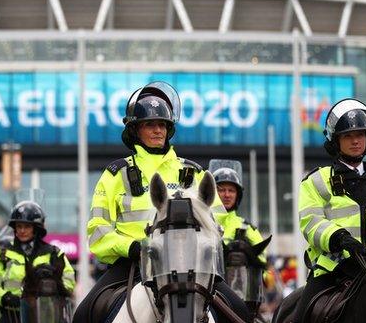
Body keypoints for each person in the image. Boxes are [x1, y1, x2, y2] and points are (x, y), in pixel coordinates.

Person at [73, 81, 252, 323]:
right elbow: (97, 230)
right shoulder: (116, 174)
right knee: (83, 314)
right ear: (136, 130)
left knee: (240, 311)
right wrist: (133, 247)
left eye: (163, 125)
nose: (158, 130)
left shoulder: (193, 172)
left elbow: (219, 221)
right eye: (150, 124)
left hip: (191, 267)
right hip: (131, 265)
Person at [293, 98, 366, 322]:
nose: (355, 141)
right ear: (336, 141)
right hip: (333, 271)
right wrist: (339, 238)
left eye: (360, 135)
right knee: (303, 315)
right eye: (348, 136)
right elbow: (310, 222)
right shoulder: (316, 181)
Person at [0, 201, 75, 323]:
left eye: (27, 226)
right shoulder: (3, 252)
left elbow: (69, 280)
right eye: (19, 226)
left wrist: (53, 294)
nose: (22, 230)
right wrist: (5, 297)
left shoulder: (54, 253)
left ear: (36, 228)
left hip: (46, 314)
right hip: (11, 314)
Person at [211, 160, 268, 263]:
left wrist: (247, 257)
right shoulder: (201, 224)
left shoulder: (247, 228)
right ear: (212, 193)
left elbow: (262, 262)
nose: (227, 195)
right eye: (222, 190)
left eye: (231, 190)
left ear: (238, 195)